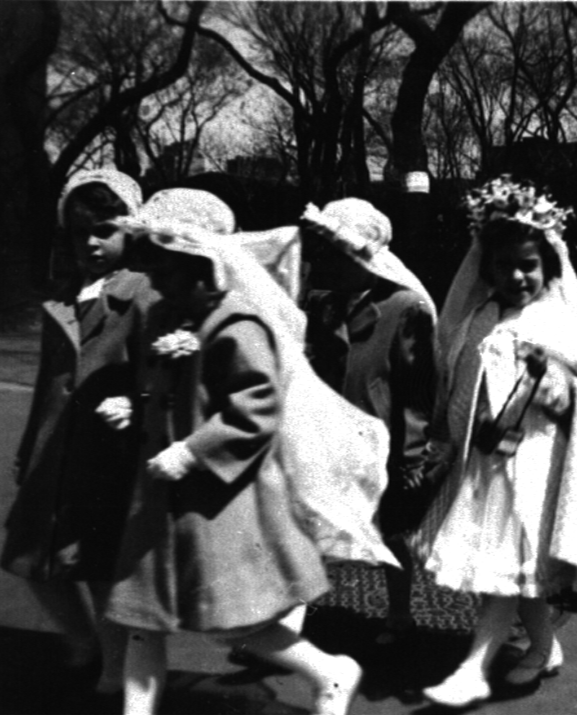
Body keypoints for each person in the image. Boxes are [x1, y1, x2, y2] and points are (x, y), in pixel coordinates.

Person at [105, 189, 396, 715]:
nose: (156, 283)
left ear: (201, 265)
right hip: (158, 497)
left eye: (167, 271)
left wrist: (193, 451)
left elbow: (255, 409)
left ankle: (330, 671)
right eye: (153, 270)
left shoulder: (238, 325)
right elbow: (163, 386)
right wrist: (134, 407)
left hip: (217, 500)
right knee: (142, 618)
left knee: (234, 621)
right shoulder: (166, 316)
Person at [414, 176, 577, 708]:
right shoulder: (478, 320)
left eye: (529, 266)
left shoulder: (559, 322)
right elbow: (458, 385)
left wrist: (548, 385)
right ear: (486, 269)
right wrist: (452, 441)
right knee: (509, 570)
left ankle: (474, 667)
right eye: (505, 266)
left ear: (548, 267)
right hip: (483, 464)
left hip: (535, 464)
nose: (518, 276)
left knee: (505, 567)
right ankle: (543, 646)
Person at [0, 169, 148, 699]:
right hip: (53, 451)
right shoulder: (62, 297)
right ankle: (81, 639)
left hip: (108, 457)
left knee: (99, 566)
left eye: (106, 229)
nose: (92, 242)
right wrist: (25, 450)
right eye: (80, 231)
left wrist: (136, 403)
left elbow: (159, 375)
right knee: (34, 558)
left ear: (131, 231)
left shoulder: (143, 295)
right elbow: (46, 382)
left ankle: (112, 660)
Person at [302, 198, 437, 643]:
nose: (324, 262)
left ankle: (399, 612)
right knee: (307, 523)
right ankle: (292, 620)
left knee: (390, 529)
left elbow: (415, 389)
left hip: (377, 436)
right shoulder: (323, 305)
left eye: (335, 253)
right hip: (328, 430)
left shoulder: (404, 307)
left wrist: (410, 455)